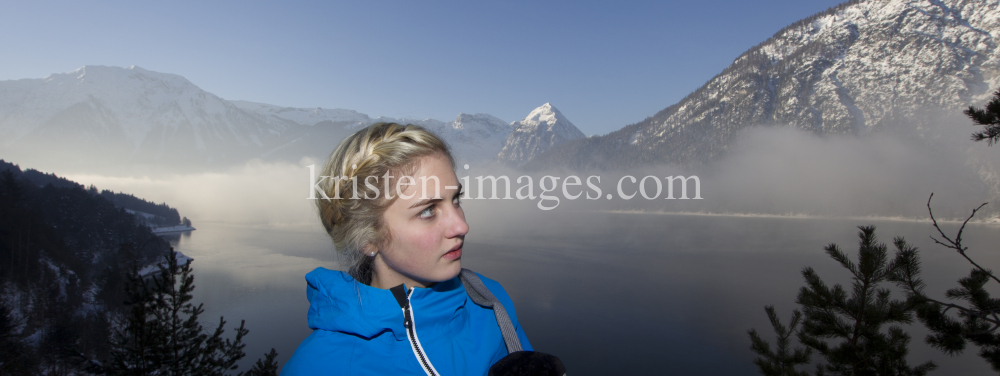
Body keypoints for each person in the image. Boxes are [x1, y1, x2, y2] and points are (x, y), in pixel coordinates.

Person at [281, 122, 533, 375]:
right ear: (367, 239)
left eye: (455, 200)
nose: (461, 225)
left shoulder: (489, 298)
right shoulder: (319, 367)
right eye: (427, 211)